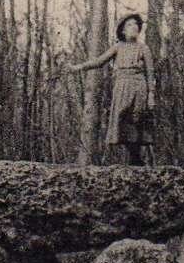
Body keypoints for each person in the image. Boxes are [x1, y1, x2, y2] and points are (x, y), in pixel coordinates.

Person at [63, 13, 156, 165]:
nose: (134, 27)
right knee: (121, 118)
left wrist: (151, 94)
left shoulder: (144, 48)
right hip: (122, 86)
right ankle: (134, 157)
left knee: (137, 118)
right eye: (129, 25)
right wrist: (78, 67)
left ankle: (136, 158)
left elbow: (150, 73)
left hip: (139, 87)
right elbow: (99, 61)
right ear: (123, 31)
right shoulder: (118, 47)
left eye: (136, 25)